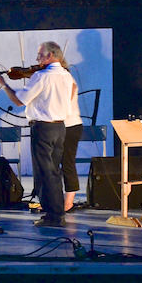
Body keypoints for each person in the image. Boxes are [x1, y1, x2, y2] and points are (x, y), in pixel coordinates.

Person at [0, 42, 73, 227]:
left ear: (51, 56)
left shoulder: (42, 76)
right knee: (54, 170)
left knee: (45, 172)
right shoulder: (66, 75)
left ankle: (54, 215)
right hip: (60, 127)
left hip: (43, 128)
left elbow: (20, 101)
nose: (37, 59)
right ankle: (56, 212)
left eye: (40, 55)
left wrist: (4, 84)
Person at [61, 68, 83, 212]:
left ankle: (68, 202)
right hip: (62, 126)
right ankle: (55, 200)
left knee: (67, 163)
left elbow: (64, 104)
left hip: (70, 126)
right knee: (54, 164)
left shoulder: (67, 80)